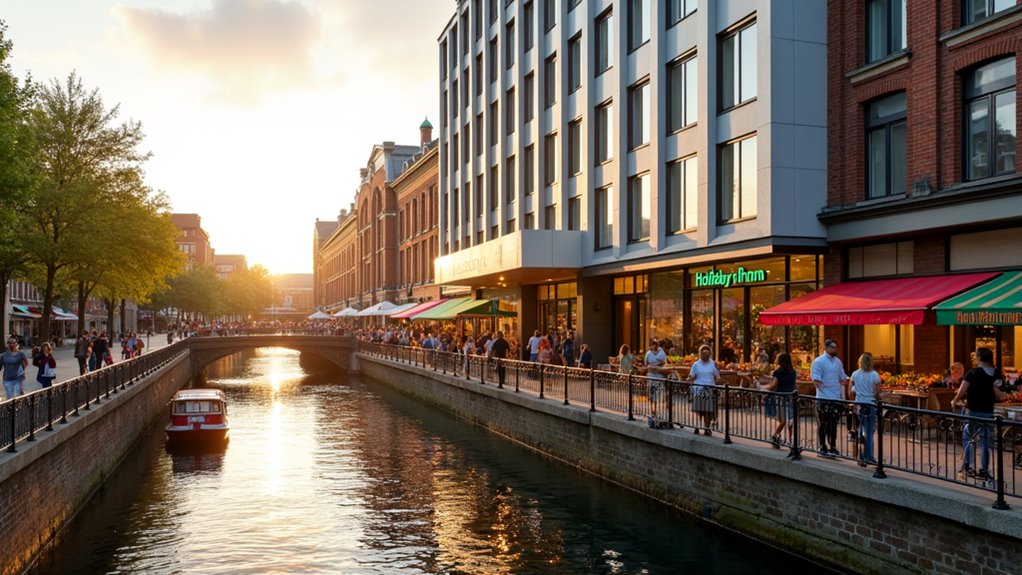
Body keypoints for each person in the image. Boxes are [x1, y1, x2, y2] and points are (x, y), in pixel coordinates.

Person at [952, 347, 1008, 481]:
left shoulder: (973, 373)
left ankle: (968, 467)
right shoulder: (996, 373)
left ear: (979, 358)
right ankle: (984, 470)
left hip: (973, 411)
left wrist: (955, 400)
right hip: (988, 411)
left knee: (969, 439)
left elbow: (962, 390)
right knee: (985, 442)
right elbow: (1001, 393)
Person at [811, 339, 849, 458]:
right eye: (833, 347)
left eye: (836, 347)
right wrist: (825, 389)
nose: (835, 349)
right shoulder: (818, 361)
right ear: (826, 348)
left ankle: (832, 446)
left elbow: (843, 378)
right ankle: (823, 446)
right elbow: (816, 380)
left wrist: (840, 388)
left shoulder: (838, 362)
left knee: (833, 424)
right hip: (823, 397)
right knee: (823, 423)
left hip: (835, 398)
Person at [759, 352, 796, 448]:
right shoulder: (793, 371)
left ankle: (775, 436)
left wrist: (761, 387)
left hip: (780, 397)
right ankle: (791, 440)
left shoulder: (778, 372)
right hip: (791, 397)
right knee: (790, 421)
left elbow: (773, 385)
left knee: (783, 420)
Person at [849, 353, 880, 466]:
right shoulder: (875, 375)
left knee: (860, 431)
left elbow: (850, 392)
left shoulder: (855, 374)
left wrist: (854, 399)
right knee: (869, 432)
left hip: (859, 405)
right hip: (870, 405)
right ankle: (869, 456)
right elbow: (877, 394)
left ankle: (861, 457)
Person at [688, 344, 720, 435]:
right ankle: (697, 426)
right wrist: (689, 378)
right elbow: (692, 375)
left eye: (707, 351)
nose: (705, 353)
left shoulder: (713, 363)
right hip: (699, 389)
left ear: (710, 353)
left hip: (709, 388)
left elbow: (717, 376)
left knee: (708, 410)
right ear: (700, 353)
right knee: (699, 410)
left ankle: (707, 427)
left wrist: (714, 383)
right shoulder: (696, 364)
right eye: (703, 351)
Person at [644, 339, 667, 421]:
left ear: (658, 345)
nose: (654, 346)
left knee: (658, 394)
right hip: (651, 376)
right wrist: (649, 367)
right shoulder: (648, 354)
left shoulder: (661, 353)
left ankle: (657, 409)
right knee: (651, 393)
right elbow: (646, 364)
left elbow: (663, 362)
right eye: (653, 344)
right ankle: (652, 410)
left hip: (659, 376)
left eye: (656, 344)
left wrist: (656, 365)